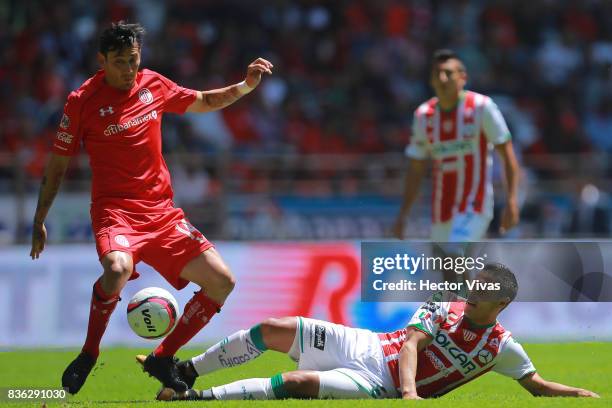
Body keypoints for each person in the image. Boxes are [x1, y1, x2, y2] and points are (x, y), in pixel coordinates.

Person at [29, 21, 273, 394]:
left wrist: (245, 86)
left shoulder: (153, 85)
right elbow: (58, 164)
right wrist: (40, 219)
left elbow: (205, 101)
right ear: (102, 61)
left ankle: (163, 357)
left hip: (162, 214)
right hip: (116, 213)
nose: (128, 69)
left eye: (133, 60)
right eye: (119, 62)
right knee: (117, 268)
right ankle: (89, 353)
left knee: (222, 281)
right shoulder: (81, 102)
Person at [148, 263, 599, 401]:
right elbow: (410, 343)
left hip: (373, 382)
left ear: (501, 305)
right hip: (365, 345)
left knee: (295, 383)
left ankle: (193, 400)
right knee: (272, 327)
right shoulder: (446, 305)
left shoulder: (502, 347)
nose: (471, 294)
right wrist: (411, 394)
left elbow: (535, 386)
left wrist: (581, 395)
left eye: (482, 293)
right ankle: (187, 370)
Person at [393, 49, 520, 241]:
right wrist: (403, 214)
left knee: (455, 254)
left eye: (448, 73)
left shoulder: (482, 107)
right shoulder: (423, 116)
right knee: (448, 268)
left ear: (463, 78)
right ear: (431, 81)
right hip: (441, 208)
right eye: (437, 74)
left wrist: (511, 200)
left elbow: (507, 155)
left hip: (475, 204)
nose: (443, 78)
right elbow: (416, 168)